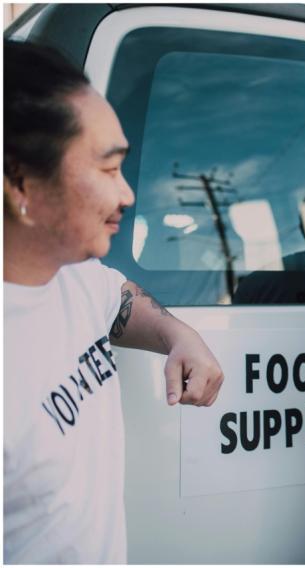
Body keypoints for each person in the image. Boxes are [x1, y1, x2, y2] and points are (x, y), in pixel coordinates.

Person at [4, 40, 224, 564]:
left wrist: (178, 334)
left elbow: (120, 297)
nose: (127, 195)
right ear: (19, 182)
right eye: (108, 170)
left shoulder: (72, 275)